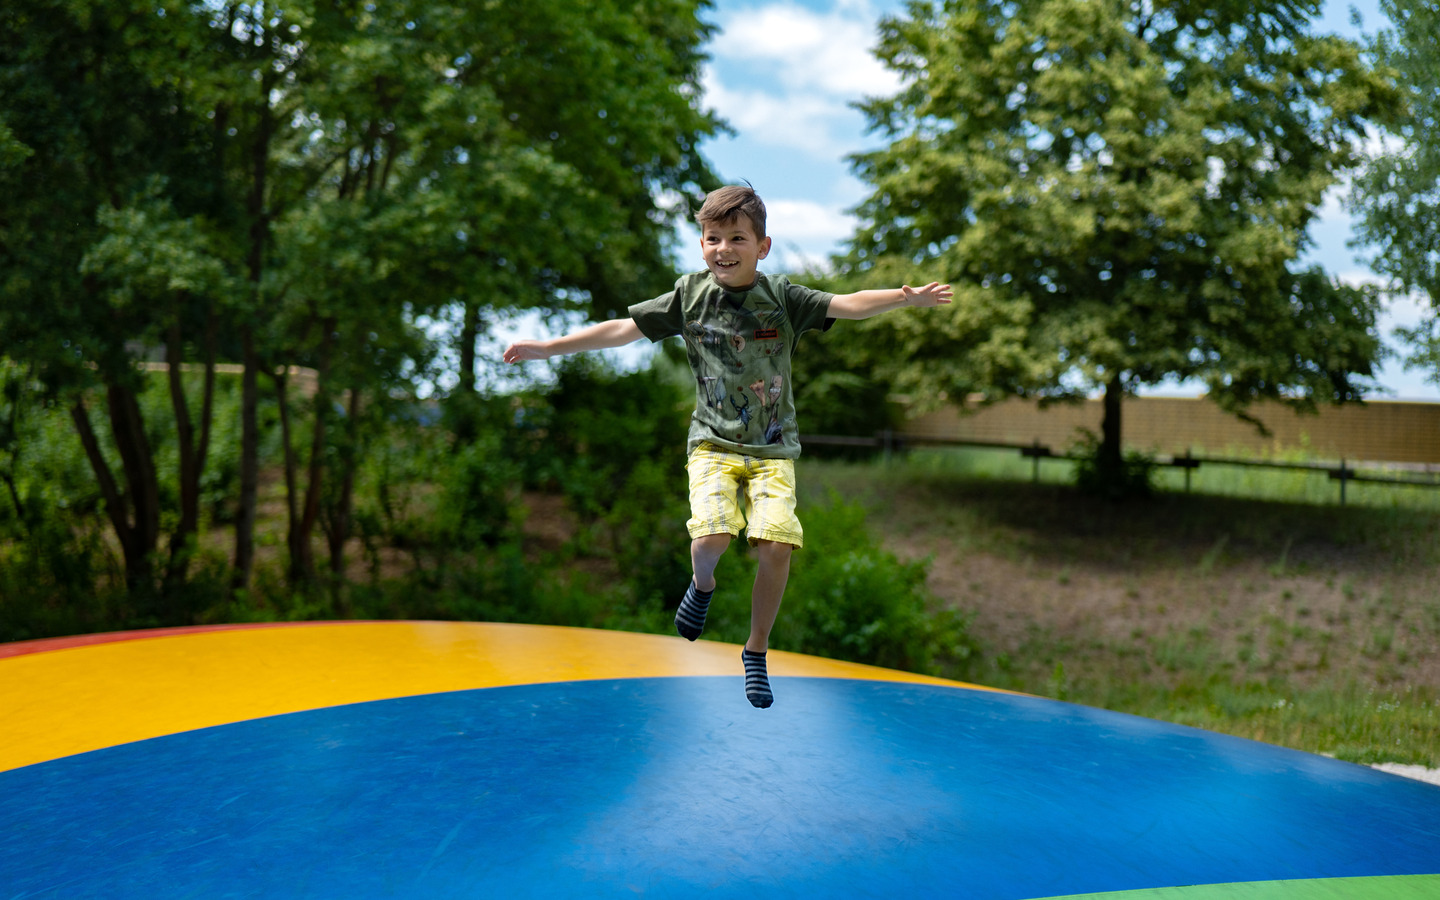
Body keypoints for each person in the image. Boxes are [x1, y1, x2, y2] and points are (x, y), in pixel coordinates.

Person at [502, 184, 951, 708]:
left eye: (737, 237)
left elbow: (847, 304)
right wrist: (547, 348)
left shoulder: (784, 298)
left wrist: (905, 297)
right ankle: (703, 586)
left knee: (777, 546)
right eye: (713, 237)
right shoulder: (688, 297)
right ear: (701, 244)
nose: (723, 247)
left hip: (773, 450)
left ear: (761, 246)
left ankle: (755, 650)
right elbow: (622, 330)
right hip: (712, 445)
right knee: (711, 539)